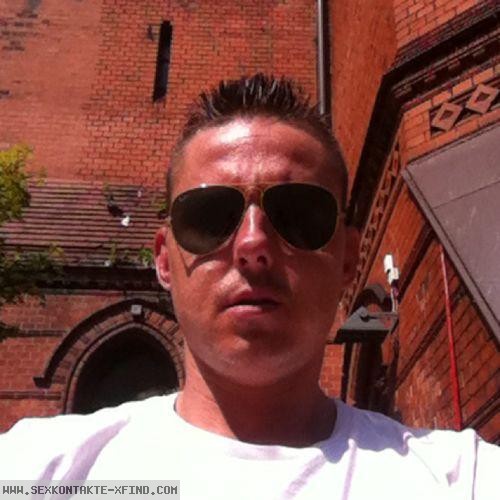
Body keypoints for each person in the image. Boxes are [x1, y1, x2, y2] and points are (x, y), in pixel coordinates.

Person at [0, 74, 497, 499]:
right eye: (209, 215)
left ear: (348, 259)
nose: (253, 243)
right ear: (164, 259)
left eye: (299, 215)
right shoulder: (37, 471)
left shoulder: (458, 479)